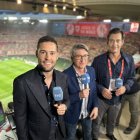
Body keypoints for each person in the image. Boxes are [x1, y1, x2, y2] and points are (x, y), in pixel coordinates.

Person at [13, 35, 70, 140]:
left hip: (59, 134)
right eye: (43, 52)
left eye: (52, 53)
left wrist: (65, 106)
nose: (48, 57)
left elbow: (67, 99)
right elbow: (20, 119)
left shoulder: (63, 77)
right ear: (36, 54)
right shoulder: (21, 82)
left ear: (57, 55)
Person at [91, 28, 135, 140]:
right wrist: (101, 89)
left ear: (122, 42)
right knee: (96, 121)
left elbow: (131, 78)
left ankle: (109, 133)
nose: (114, 44)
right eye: (111, 40)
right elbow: (92, 80)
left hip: (117, 99)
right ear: (107, 41)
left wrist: (125, 87)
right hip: (101, 99)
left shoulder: (129, 60)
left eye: (118, 40)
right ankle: (95, 136)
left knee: (112, 120)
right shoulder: (98, 60)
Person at [63, 44, 98, 140]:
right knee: (70, 137)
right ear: (72, 58)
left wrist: (95, 106)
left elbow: (94, 91)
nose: (83, 60)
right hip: (71, 115)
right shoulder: (64, 75)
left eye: (85, 56)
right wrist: (79, 95)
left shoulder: (91, 71)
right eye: (79, 56)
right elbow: (63, 100)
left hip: (88, 113)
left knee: (88, 135)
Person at [116, 67, 140, 134]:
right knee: (118, 108)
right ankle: (115, 122)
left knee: (134, 111)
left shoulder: (126, 67)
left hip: (133, 92)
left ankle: (132, 127)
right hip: (122, 93)